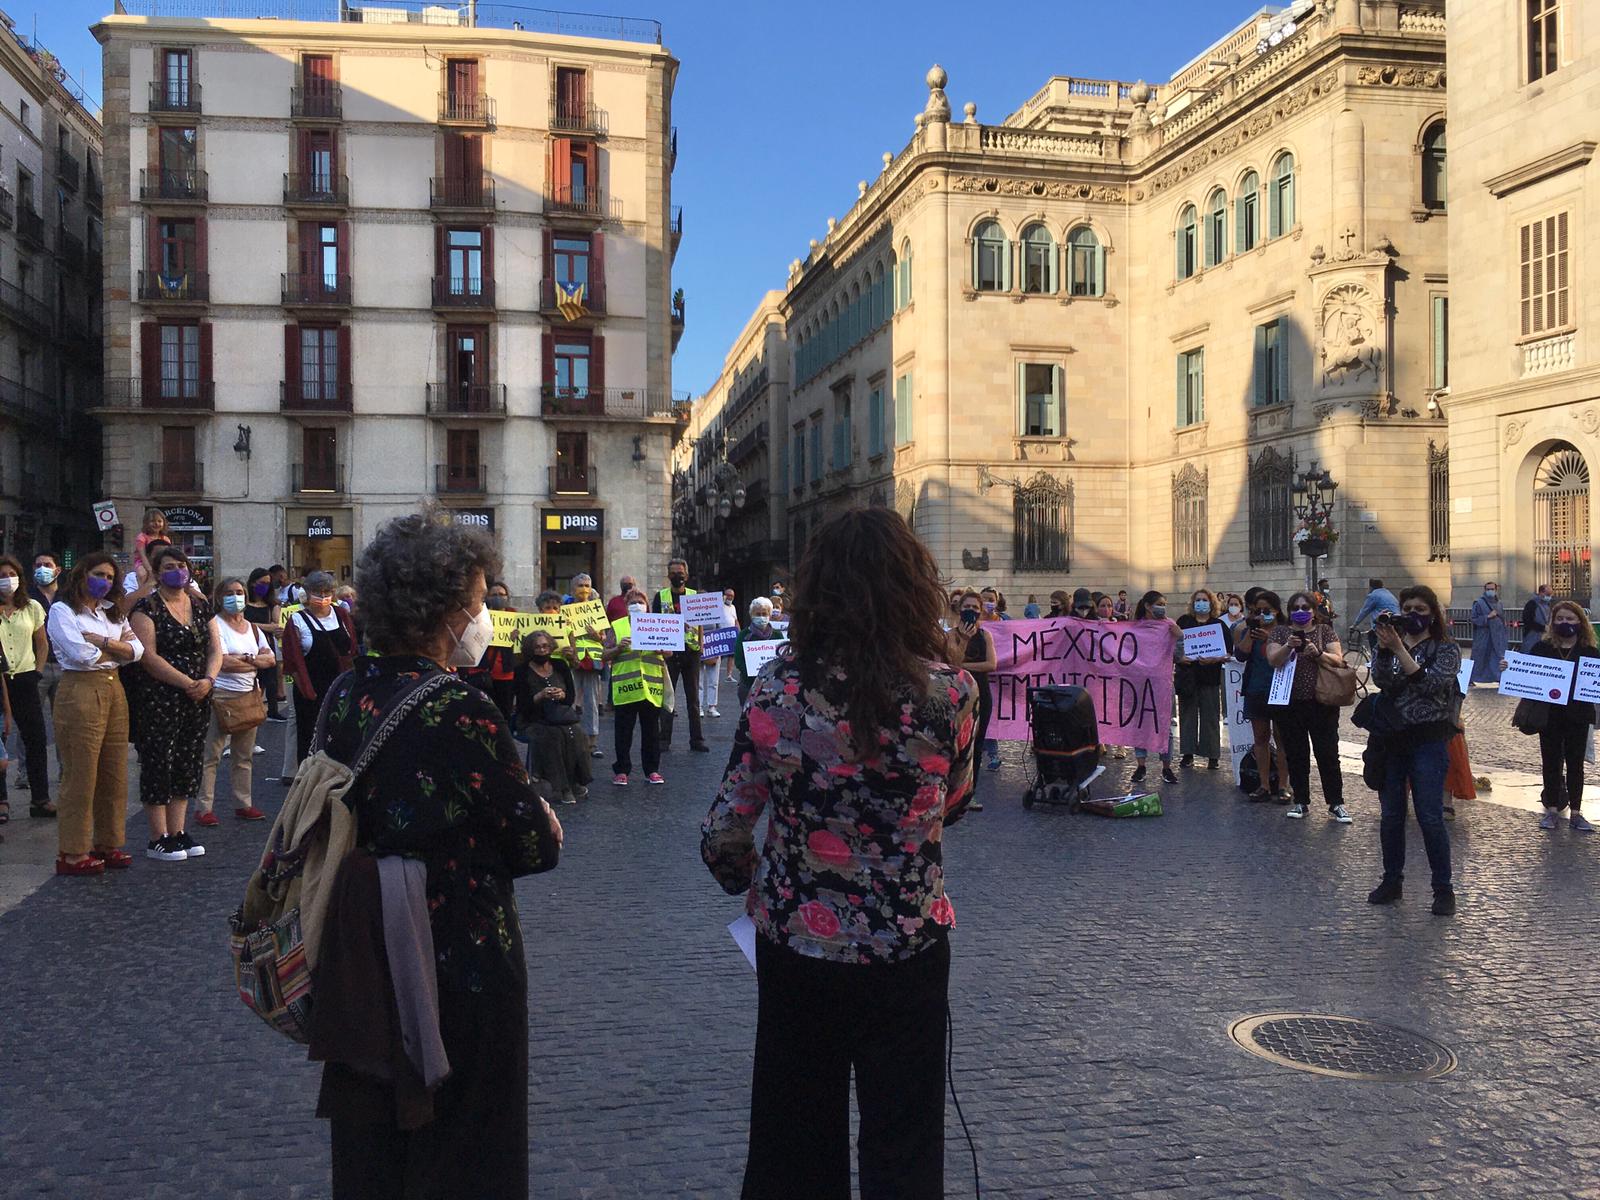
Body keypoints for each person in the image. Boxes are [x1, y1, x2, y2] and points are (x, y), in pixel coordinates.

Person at [701, 507, 978, 1198]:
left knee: (793, 1140)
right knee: (905, 1140)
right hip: (907, 941)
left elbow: (725, 833)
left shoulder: (776, 687)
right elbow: (955, 801)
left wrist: (756, 876)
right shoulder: (951, 693)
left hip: (797, 942)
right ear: (913, 587)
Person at [311, 509, 563, 1200]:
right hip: (459, 953)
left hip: (361, 946)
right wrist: (543, 818)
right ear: (444, 612)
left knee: (374, 1136)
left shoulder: (344, 693)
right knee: (467, 1138)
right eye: (478, 603)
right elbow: (532, 844)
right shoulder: (462, 708)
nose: (483, 618)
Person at [46, 553, 142, 875]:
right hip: (80, 689)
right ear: (82, 574)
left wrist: (102, 642)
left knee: (114, 771)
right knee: (81, 773)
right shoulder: (62, 611)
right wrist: (117, 648)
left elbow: (138, 650)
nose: (105, 581)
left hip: (114, 688)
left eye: (110, 577)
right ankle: (73, 852)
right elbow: (81, 654)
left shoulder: (111, 612)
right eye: (99, 574)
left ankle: (107, 842)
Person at [1368, 585, 1460, 915]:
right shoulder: (1394, 642)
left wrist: (1399, 650)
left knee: (1430, 816)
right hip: (1393, 739)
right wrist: (1384, 650)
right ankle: (1392, 880)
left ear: (1433, 614)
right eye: (1407, 609)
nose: (1413, 615)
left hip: (1428, 740)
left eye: (1420, 609)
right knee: (1391, 815)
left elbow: (1431, 685)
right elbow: (1382, 681)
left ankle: (1443, 889)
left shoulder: (1446, 649)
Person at [129, 544, 218, 862]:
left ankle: (178, 831)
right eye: (168, 567)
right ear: (156, 572)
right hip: (160, 697)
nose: (176, 571)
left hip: (198, 697)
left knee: (187, 760)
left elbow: (215, 648)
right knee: (158, 762)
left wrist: (208, 680)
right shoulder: (147, 608)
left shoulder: (200, 605)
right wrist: (186, 683)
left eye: (181, 566)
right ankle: (158, 836)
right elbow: (148, 657)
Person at [1264, 591, 1350, 822]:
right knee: (1296, 754)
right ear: (1289, 611)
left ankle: (1336, 802)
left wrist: (1319, 653)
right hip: (1290, 703)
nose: (1300, 612)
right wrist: (1288, 647)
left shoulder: (1324, 631)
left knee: (1328, 754)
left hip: (1321, 702)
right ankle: (1301, 801)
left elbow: (1339, 659)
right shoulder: (1280, 632)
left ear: (1314, 611)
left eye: (1305, 608)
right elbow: (1273, 659)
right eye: (1295, 608)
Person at [199, 576, 273, 825]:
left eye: (239, 592)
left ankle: (244, 803)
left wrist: (244, 659)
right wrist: (254, 660)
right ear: (220, 598)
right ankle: (204, 807)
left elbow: (269, 659)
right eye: (229, 593)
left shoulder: (253, 628)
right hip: (221, 696)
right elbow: (223, 662)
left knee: (244, 755)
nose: (235, 597)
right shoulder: (216, 625)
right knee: (212, 755)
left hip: (248, 696)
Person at [1522, 600, 1599, 833]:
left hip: (1579, 715)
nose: (1565, 622)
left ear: (1580, 622)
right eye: (1560, 619)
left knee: (1576, 764)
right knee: (1551, 762)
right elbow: (1527, 674)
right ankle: (1552, 809)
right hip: (1550, 716)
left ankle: (1576, 812)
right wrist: (1509, 669)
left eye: (1570, 618)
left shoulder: (1589, 652)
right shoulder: (1542, 648)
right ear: (1553, 622)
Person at [281, 570, 358, 764]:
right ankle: (309, 778)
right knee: (310, 738)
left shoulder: (341, 614)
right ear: (307, 593)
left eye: (327, 592)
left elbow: (352, 648)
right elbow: (292, 661)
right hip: (311, 691)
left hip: (341, 688)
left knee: (340, 737)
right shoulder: (297, 620)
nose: (323, 597)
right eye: (317, 592)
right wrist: (306, 691)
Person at [0, 555, 52, 817]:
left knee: (36, 739)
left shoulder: (31, 607)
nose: (7, 579)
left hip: (25, 678)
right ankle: (2, 800)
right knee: (0, 740)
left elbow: (42, 643)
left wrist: (38, 672)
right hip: (0, 680)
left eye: (11, 574)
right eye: (2, 575)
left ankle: (40, 799)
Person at [515, 629, 590, 805]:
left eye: (545, 646)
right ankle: (562, 787)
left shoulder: (560, 665)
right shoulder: (522, 671)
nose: (542, 650)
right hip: (533, 719)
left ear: (551, 647)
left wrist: (561, 695)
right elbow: (522, 705)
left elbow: (570, 698)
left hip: (560, 716)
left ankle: (576, 780)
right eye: (537, 647)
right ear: (530, 649)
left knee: (576, 733)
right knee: (553, 736)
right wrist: (540, 696)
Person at [604, 586, 667, 785]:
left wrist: (661, 649)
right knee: (623, 732)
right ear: (626, 606)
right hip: (626, 687)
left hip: (651, 687)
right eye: (633, 603)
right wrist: (618, 648)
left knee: (651, 732)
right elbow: (604, 655)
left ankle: (652, 770)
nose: (637, 605)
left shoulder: (657, 624)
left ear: (647, 606)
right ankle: (622, 770)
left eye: (641, 602)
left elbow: (670, 652)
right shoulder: (617, 626)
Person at [1235, 591, 1290, 802]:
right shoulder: (1250, 630)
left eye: (1266, 610)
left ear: (1276, 610)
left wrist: (1270, 638)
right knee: (1260, 738)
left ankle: (1283, 785)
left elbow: (1290, 656)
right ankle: (1264, 784)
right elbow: (1241, 655)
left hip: (1280, 690)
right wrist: (1251, 633)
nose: (1262, 614)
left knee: (1282, 739)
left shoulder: (1285, 631)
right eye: (1257, 611)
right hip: (1256, 689)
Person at [653, 558, 709, 753]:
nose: (677, 576)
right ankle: (664, 739)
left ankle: (697, 740)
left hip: (691, 652)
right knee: (668, 697)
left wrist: (701, 645)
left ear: (687, 575)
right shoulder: (660, 597)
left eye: (680, 573)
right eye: (674, 573)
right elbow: (655, 623)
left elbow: (701, 623)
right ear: (668, 575)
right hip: (669, 653)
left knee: (693, 699)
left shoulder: (695, 596)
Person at [945, 590, 996, 806]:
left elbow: (991, 664)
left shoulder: (985, 635)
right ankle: (951, 791)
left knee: (977, 743)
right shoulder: (950, 636)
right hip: (958, 694)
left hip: (981, 693)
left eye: (975, 607)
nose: (971, 611)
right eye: (967, 607)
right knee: (955, 744)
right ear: (959, 610)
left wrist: (964, 666)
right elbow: (951, 663)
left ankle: (969, 793)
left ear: (980, 611)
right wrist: (964, 641)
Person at [1175, 588, 1232, 771]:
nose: (1201, 603)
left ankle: (1212, 755)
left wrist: (1215, 659)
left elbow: (1228, 652)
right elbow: (1171, 645)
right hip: (1187, 678)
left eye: (1205, 600)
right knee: (1187, 717)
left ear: (1211, 603)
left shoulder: (1219, 625)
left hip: (1210, 678)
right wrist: (1178, 658)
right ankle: (1188, 754)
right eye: (1198, 600)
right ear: (1193, 603)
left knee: (1211, 717)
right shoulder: (1184, 622)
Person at [1131, 591, 1180, 785]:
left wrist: (1179, 637)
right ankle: (1141, 765)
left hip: (1162, 682)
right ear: (1147, 606)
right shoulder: (1135, 627)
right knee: (1139, 723)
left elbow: (1178, 656)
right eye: (1159, 603)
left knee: (1165, 725)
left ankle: (1166, 767)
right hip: (1139, 682)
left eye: (1164, 604)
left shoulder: (1169, 625)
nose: (1163, 607)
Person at [566, 573, 605, 754]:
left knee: (591, 702)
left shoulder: (597, 609)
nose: (584, 589)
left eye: (587, 585)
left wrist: (596, 636)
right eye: (580, 585)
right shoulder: (565, 610)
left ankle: (592, 742)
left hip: (592, 660)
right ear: (572, 589)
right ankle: (570, 739)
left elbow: (604, 638)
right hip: (572, 660)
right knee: (570, 700)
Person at [470, 580, 518, 721]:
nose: (498, 597)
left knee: (504, 711)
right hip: (484, 671)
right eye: (494, 594)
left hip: (506, 673)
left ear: (507, 596)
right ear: (487, 597)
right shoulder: (480, 616)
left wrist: (515, 637)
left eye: (502, 594)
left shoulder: (515, 616)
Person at [245, 566, 288, 722]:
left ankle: (272, 710)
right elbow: (242, 623)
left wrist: (254, 625)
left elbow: (277, 625)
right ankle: (251, 711)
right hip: (249, 646)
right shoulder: (244, 603)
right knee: (254, 681)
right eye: (262, 583)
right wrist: (265, 626)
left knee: (270, 680)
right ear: (252, 583)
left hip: (266, 646)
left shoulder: (271, 605)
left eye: (267, 583)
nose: (265, 586)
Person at [733, 596, 785, 707]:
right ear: (751, 615)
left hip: (772, 685)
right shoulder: (744, 635)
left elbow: (782, 658)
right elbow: (738, 660)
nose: (761, 617)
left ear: (769, 614)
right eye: (758, 614)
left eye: (764, 614)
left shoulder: (777, 635)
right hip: (748, 684)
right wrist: (754, 674)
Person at [698, 586, 736, 718]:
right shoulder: (693, 614)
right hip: (698, 649)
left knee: (713, 680)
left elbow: (720, 628)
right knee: (698, 680)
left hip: (713, 648)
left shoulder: (715, 612)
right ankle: (699, 706)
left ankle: (712, 706)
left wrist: (719, 647)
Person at [1468, 581, 1508, 685]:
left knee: (1497, 656)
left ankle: (1498, 677)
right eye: (1488, 589)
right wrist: (1487, 617)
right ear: (1485, 590)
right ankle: (1472, 677)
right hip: (1484, 635)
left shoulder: (1499, 603)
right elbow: (1473, 618)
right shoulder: (1479, 603)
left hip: (1497, 636)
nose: (1490, 591)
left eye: (1492, 589)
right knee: (1480, 656)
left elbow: (1502, 618)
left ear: (1496, 590)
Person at [1350, 578, 1400, 649]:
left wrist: (1354, 625)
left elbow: (1364, 611)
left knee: (1373, 638)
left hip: (1383, 625)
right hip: (1395, 624)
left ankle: (1375, 655)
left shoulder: (1373, 595)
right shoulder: (1388, 593)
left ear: (1371, 587)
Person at [1521, 582, 1554, 652]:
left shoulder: (1547, 605)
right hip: (1532, 635)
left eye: (1551, 594)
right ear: (1541, 593)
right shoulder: (1532, 604)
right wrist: (1542, 627)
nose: (1549, 597)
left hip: (1543, 635)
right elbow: (1527, 620)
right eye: (1548, 594)